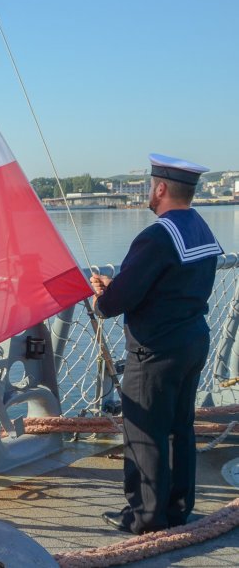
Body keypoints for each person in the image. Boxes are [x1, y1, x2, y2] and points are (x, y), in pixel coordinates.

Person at [90, 153, 222, 535]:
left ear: (160, 188)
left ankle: (145, 517)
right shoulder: (200, 228)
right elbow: (173, 288)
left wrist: (103, 297)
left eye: (151, 186)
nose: (150, 192)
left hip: (155, 352)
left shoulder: (156, 236)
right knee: (180, 428)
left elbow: (116, 303)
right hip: (192, 341)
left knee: (144, 432)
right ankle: (177, 509)